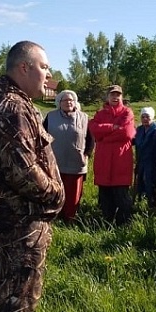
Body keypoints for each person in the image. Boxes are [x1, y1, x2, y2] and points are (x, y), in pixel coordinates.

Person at [0, 41, 64, 312]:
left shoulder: (4, 102)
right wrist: (55, 194)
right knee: (16, 304)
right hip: (20, 222)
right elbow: (22, 171)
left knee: (3, 295)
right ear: (24, 67)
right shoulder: (13, 108)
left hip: (11, 219)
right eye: (44, 67)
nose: (48, 75)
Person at [43, 89, 94, 221]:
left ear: (75, 102)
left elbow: (90, 139)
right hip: (55, 163)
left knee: (73, 195)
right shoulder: (50, 116)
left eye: (71, 100)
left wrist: (86, 155)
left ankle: (70, 219)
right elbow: (42, 137)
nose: (68, 102)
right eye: (65, 100)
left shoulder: (84, 118)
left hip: (76, 163)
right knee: (55, 192)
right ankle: (55, 217)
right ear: (59, 103)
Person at [89, 85, 136, 225]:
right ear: (107, 97)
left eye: (118, 95)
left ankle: (123, 225)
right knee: (105, 196)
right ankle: (106, 223)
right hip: (103, 160)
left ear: (122, 97)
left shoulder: (127, 112)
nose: (115, 97)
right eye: (112, 94)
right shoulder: (100, 114)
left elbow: (127, 133)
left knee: (121, 195)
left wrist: (103, 137)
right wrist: (112, 128)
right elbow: (93, 129)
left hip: (121, 161)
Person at [133, 107, 156, 203]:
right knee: (140, 183)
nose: (145, 119)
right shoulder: (139, 129)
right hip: (141, 160)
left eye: (147, 117)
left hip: (151, 161)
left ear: (152, 117)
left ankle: (151, 204)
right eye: (143, 117)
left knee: (150, 183)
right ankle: (139, 202)